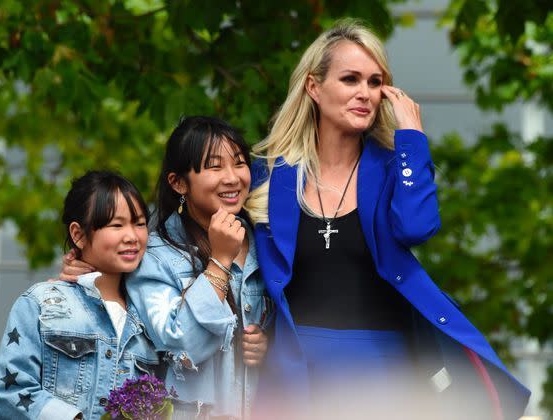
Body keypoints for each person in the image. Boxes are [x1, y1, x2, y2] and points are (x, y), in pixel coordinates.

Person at [245, 18, 530, 419]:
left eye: (375, 82)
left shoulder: (396, 167)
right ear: (313, 87)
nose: (365, 93)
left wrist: (411, 135)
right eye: (350, 79)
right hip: (294, 378)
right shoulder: (270, 175)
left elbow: (417, 228)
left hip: (384, 377)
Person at [61, 116, 272, 419]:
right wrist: (220, 262)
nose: (232, 177)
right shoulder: (156, 256)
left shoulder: (266, 241)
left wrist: (268, 346)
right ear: (178, 182)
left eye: (239, 163)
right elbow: (182, 345)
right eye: (214, 167)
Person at [0, 171, 159, 419]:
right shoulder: (40, 304)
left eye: (139, 223)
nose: (132, 236)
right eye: (116, 224)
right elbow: (13, 392)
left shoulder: (154, 318)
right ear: (78, 235)